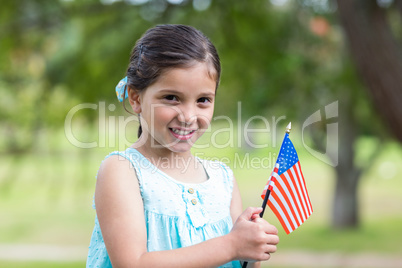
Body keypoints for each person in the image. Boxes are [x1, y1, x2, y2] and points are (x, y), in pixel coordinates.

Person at [87, 24, 279, 268]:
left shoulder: (222, 180)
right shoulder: (122, 171)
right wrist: (231, 245)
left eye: (203, 100)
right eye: (171, 98)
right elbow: (132, 263)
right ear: (136, 98)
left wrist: (248, 251)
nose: (189, 115)